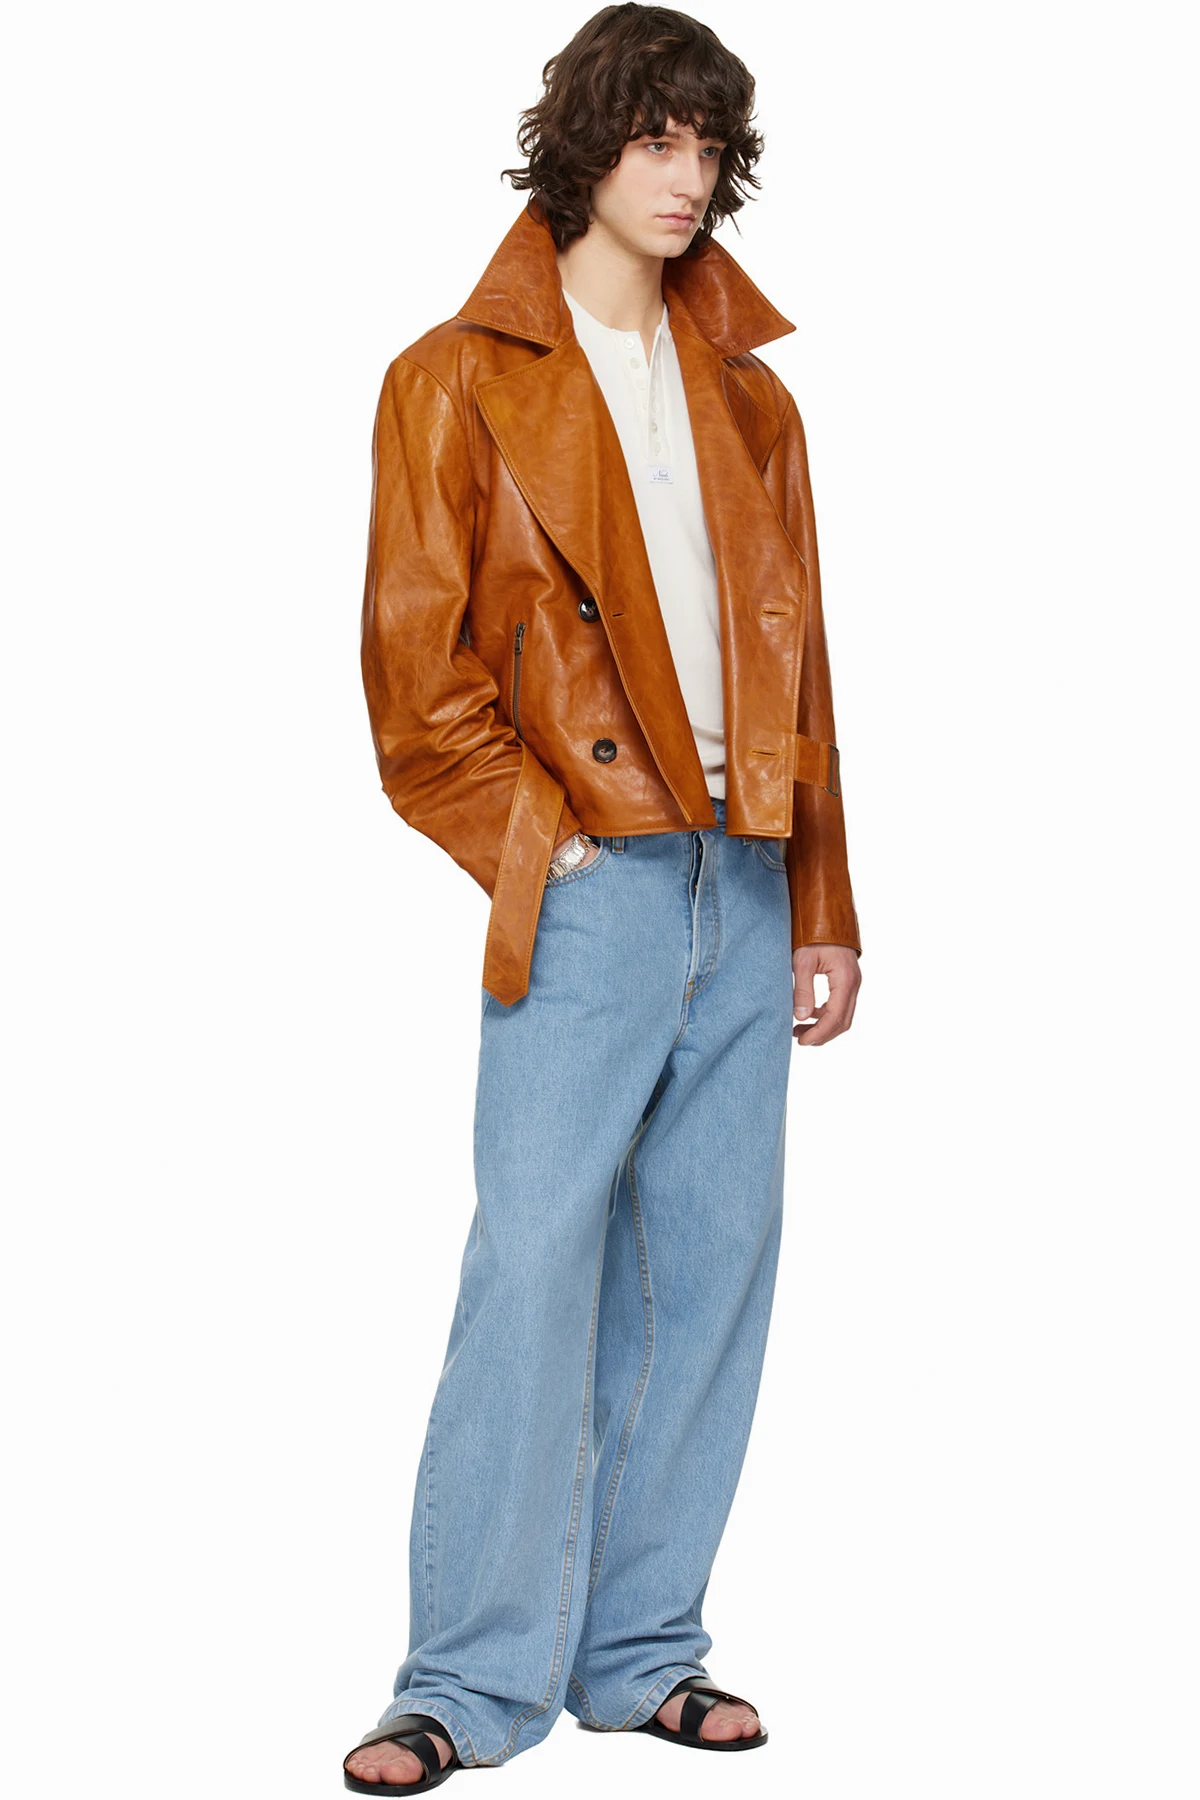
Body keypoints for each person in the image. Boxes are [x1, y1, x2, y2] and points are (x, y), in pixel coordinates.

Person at [343, 5, 862, 1790]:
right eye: (654, 138)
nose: (685, 175)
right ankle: (461, 1681)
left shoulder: (755, 396)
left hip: (745, 867)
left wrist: (823, 898)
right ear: (581, 145)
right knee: (537, 1266)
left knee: (709, 1273)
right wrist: (543, 847)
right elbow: (415, 687)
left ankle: (642, 1654)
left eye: (708, 145)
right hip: (585, 880)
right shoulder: (452, 378)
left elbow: (804, 669)